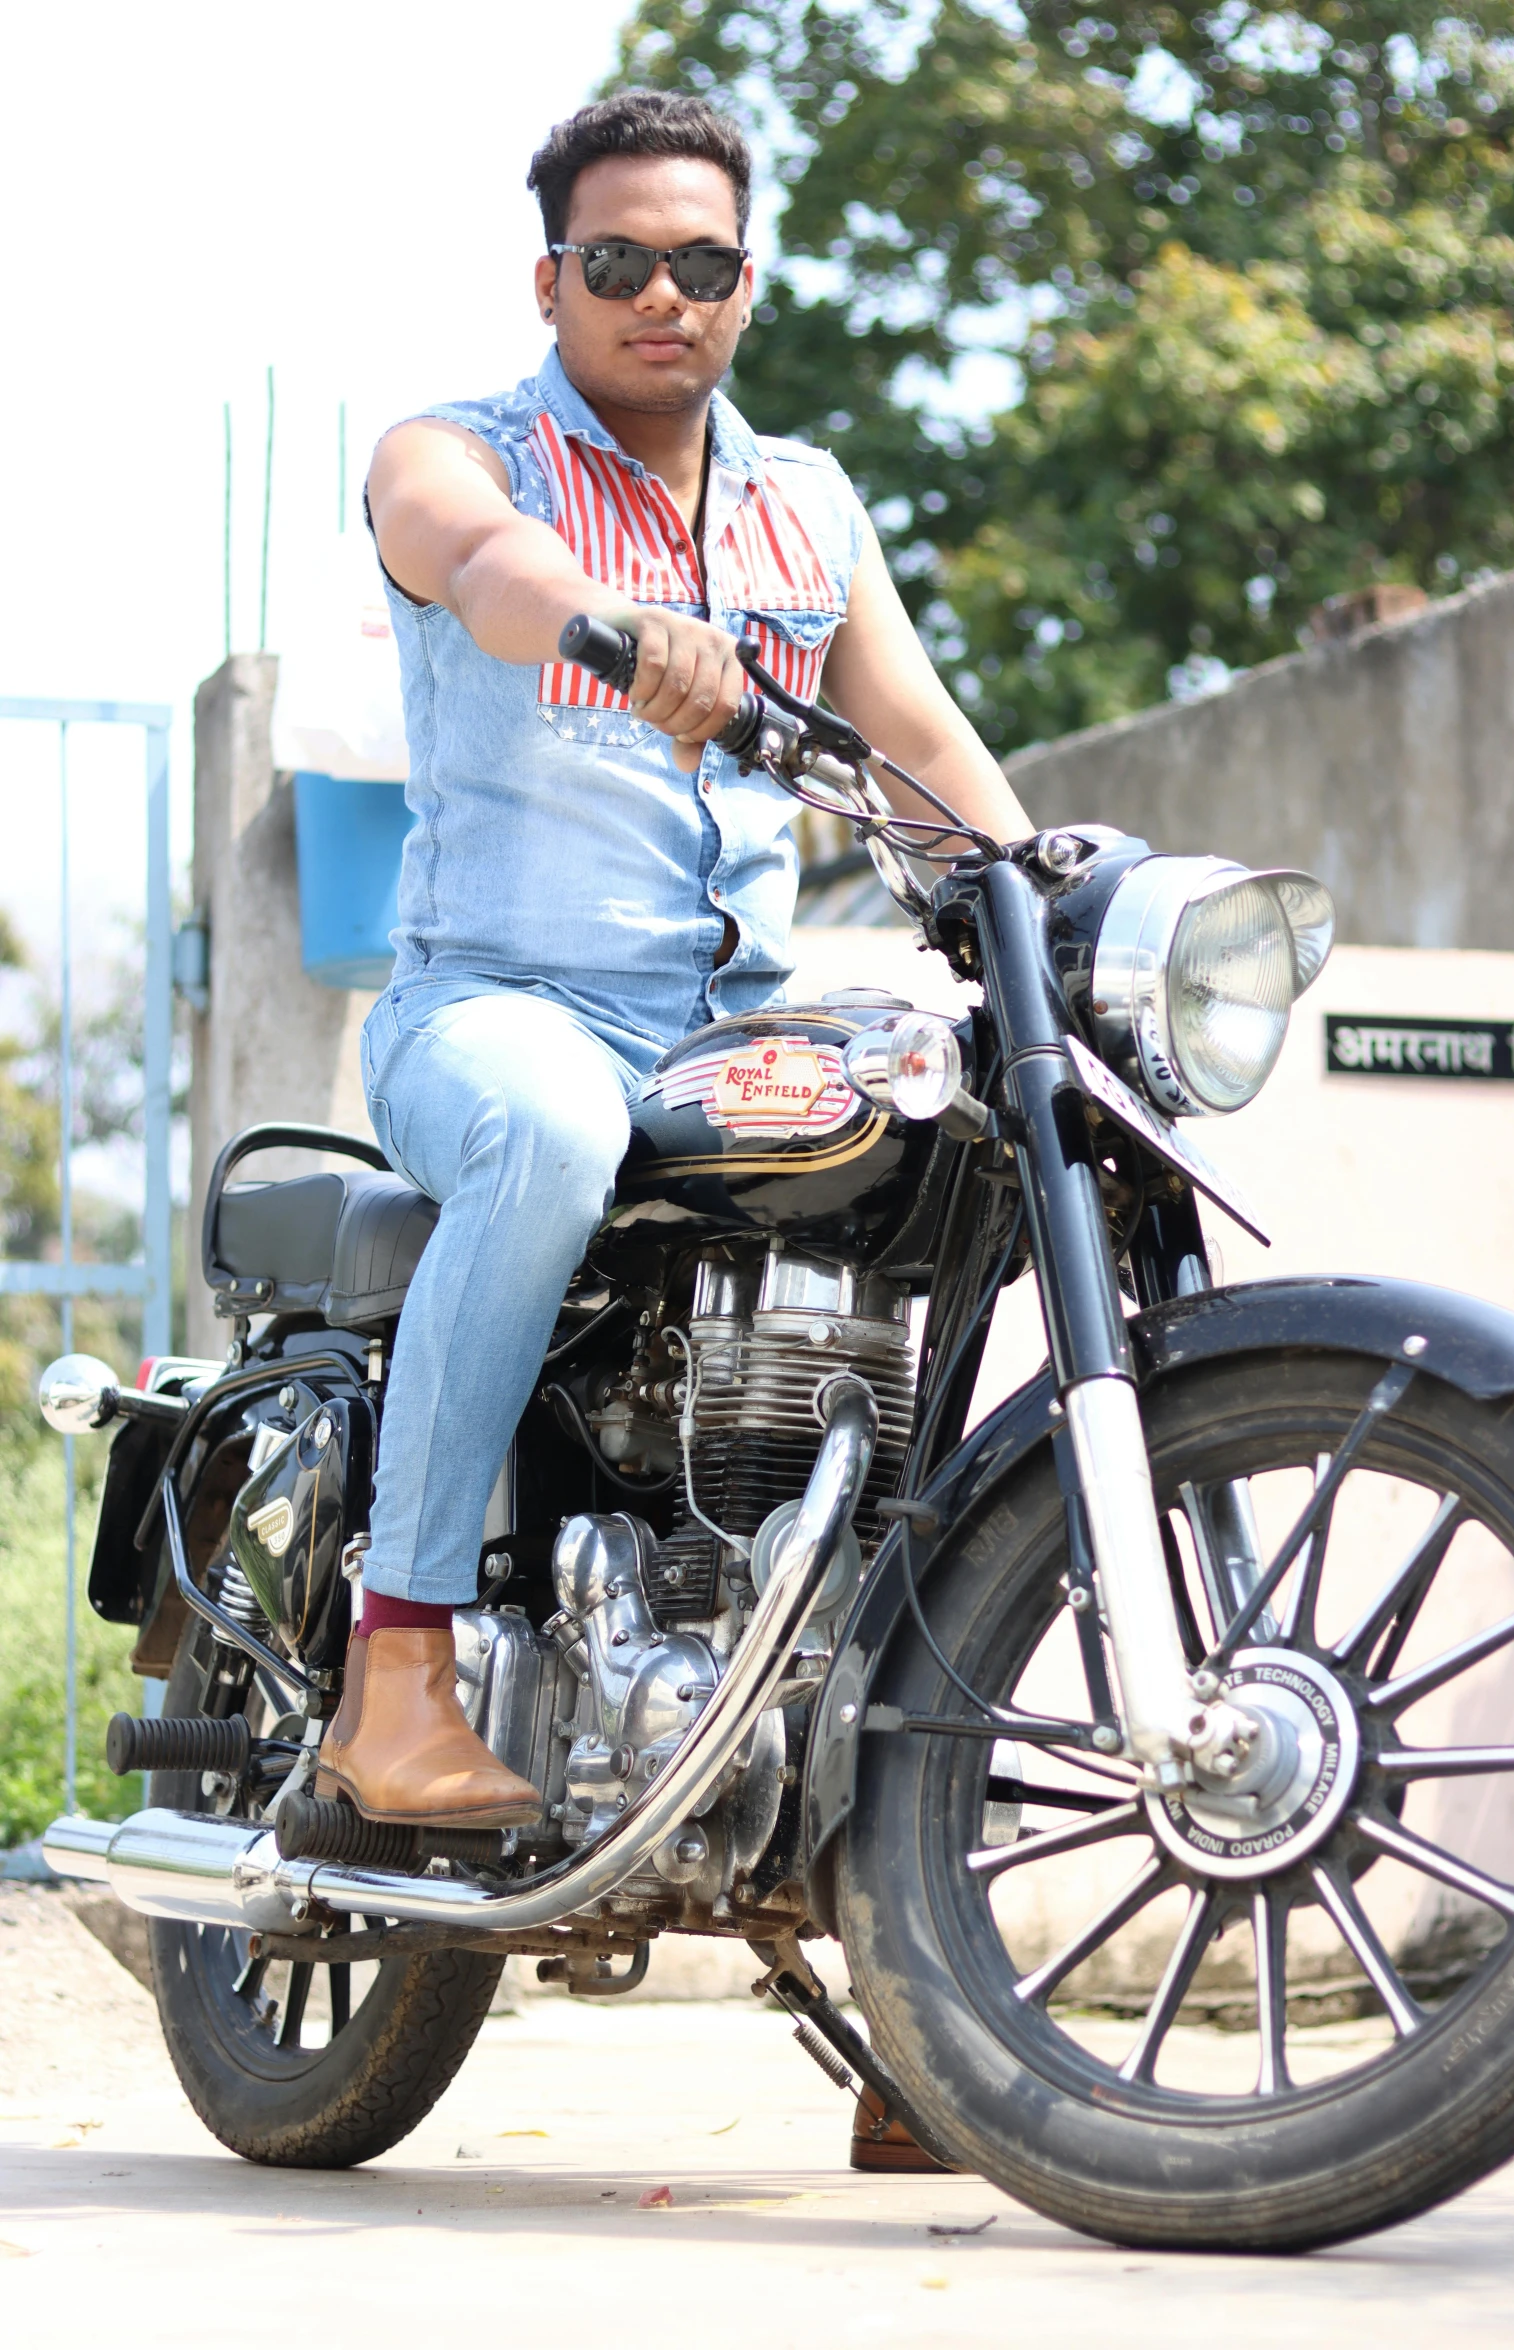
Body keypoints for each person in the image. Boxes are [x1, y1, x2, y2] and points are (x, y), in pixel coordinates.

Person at [318, 90, 1031, 1857]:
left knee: (969, 1141)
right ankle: (393, 1669)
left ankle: (877, 1775)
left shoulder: (807, 504)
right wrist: (609, 625)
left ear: (742, 281)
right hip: (489, 1014)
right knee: (555, 1129)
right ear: (551, 279)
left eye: (700, 260)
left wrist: (1042, 900)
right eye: (619, 259)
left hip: (728, 1036)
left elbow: (917, 732)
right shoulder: (455, 452)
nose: (662, 292)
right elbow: (481, 564)